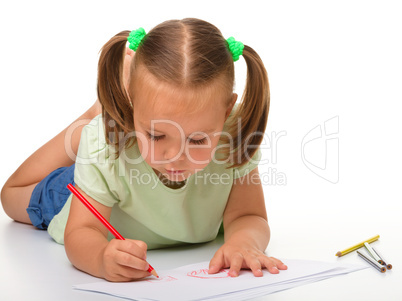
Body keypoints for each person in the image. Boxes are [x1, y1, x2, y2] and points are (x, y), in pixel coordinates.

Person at [1, 18, 287, 282]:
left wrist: (244, 243)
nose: (174, 156)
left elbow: (248, 216)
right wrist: (100, 258)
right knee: (11, 196)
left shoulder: (234, 134)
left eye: (197, 140)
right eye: (156, 135)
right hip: (83, 192)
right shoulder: (106, 149)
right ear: (133, 107)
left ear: (225, 113)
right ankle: (98, 113)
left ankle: (114, 115)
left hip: (122, 153)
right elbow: (82, 230)